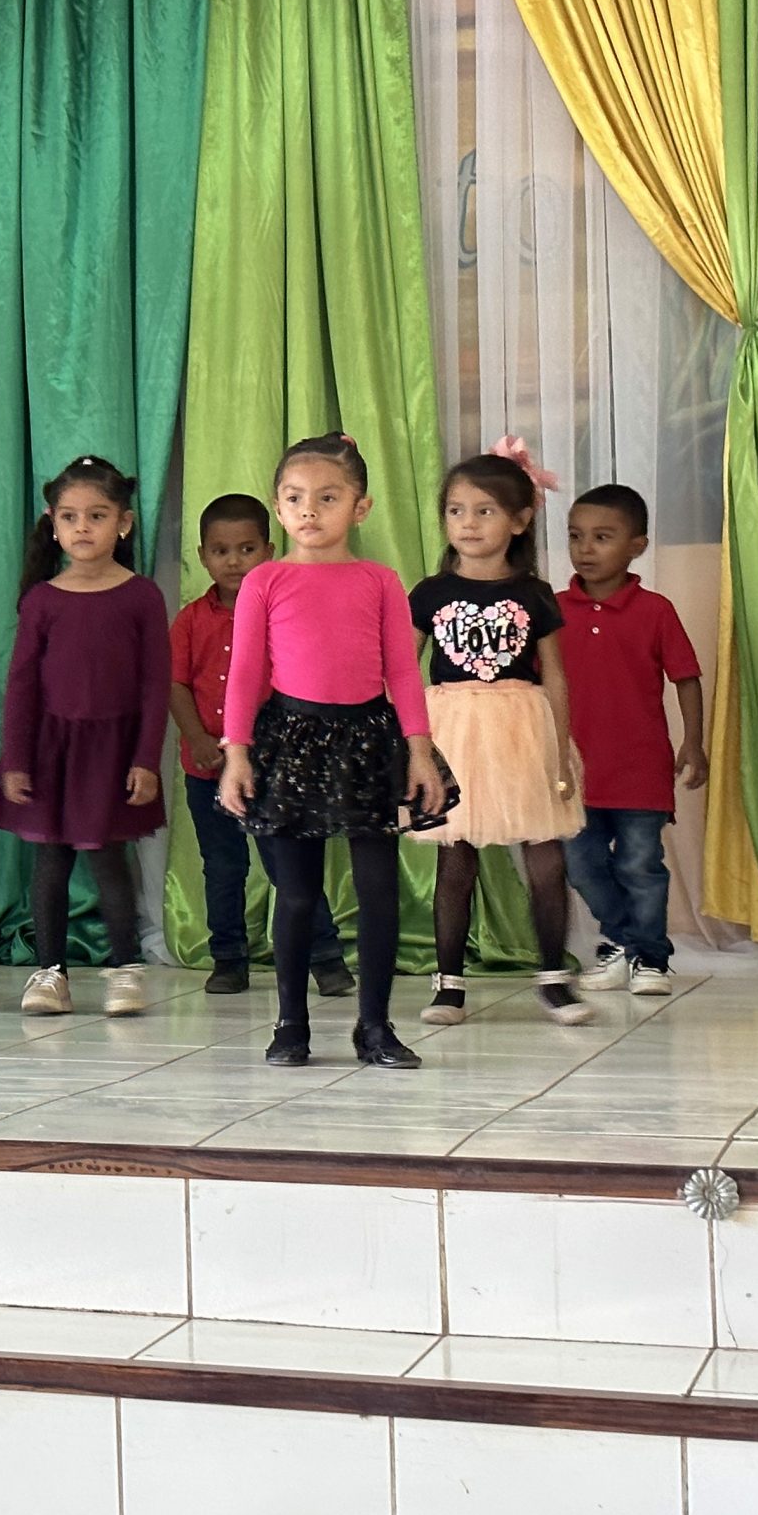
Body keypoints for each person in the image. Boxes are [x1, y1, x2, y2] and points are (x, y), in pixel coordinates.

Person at [219, 433, 447, 1070]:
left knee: (378, 893)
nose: (310, 510)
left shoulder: (380, 581)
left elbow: (403, 672)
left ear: (360, 507)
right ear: (278, 507)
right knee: (296, 894)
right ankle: (291, 1024)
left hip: (368, 742)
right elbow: (245, 674)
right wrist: (237, 754)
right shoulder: (265, 580)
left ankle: (375, 1026)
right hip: (289, 743)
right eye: (295, 498)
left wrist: (419, 751)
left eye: (327, 497)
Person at [0, 457, 169, 1018]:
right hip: (51, 752)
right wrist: (16, 759)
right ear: (53, 522)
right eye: (70, 516)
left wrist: (145, 759)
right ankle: (51, 972)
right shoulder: (42, 599)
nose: (82, 527)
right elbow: (21, 685)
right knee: (51, 860)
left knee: (109, 859)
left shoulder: (142, 596)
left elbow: (155, 685)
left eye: (97, 515)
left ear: (123, 523)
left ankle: (126, 969)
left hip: (112, 754)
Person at [411, 445, 592, 1028]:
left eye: (484, 511)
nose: (468, 523)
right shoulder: (430, 592)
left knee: (545, 857)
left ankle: (554, 979)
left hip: (522, 730)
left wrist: (560, 751)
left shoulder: (534, 594)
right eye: (456, 510)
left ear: (519, 521)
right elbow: (402, 670)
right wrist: (408, 745)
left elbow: (555, 675)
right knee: (455, 856)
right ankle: (448, 985)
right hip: (453, 731)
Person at [168, 495, 351, 998]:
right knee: (223, 867)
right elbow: (175, 684)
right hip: (207, 769)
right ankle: (228, 960)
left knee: (289, 866)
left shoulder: (284, 613)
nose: (233, 561)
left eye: (246, 549)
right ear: (203, 556)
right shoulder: (189, 620)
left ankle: (326, 959)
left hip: (274, 767)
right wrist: (198, 738)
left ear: (269, 551)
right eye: (221, 551)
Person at [558, 485, 706, 998]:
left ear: (637, 546)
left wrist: (693, 743)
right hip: (574, 770)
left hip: (641, 768)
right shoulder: (553, 610)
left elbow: (686, 677)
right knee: (580, 865)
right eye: (575, 536)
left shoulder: (656, 610)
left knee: (640, 865)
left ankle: (651, 959)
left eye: (602, 537)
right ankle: (624, 941)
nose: (585, 549)